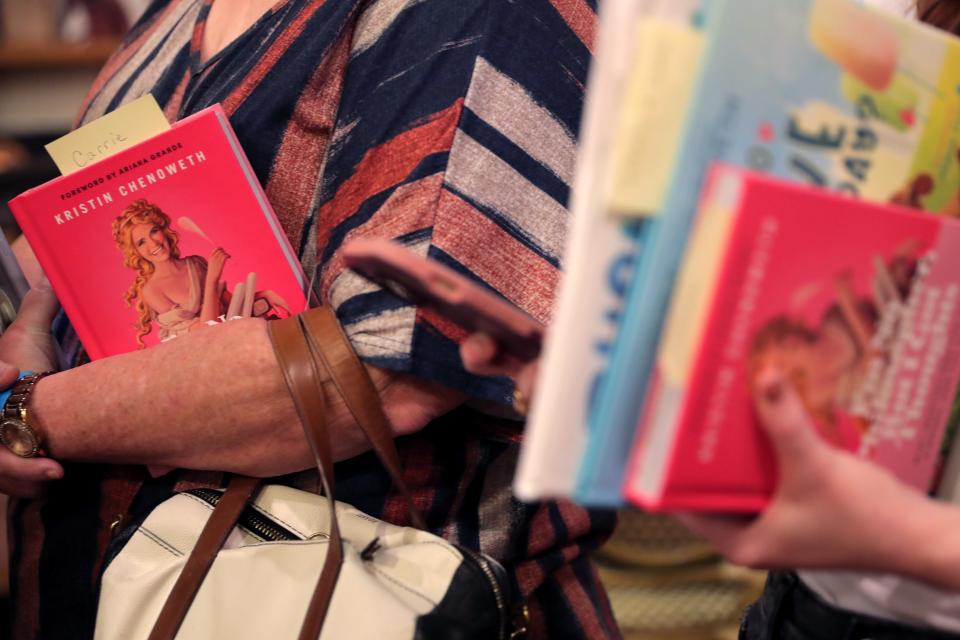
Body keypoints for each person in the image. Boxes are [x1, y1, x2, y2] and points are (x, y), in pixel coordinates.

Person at [0, 1, 618, 639]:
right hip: (82, 590)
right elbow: (61, 254)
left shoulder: (480, 14)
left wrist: (26, 413)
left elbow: (379, 377)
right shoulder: (167, 21)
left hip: (343, 600)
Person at [113, 199, 231, 345]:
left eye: (154, 232)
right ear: (135, 252)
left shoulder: (195, 264)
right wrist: (212, 279)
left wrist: (265, 296)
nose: (153, 243)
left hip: (229, 335)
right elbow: (207, 331)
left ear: (163, 230)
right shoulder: (151, 291)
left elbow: (231, 304)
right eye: (141, 242)